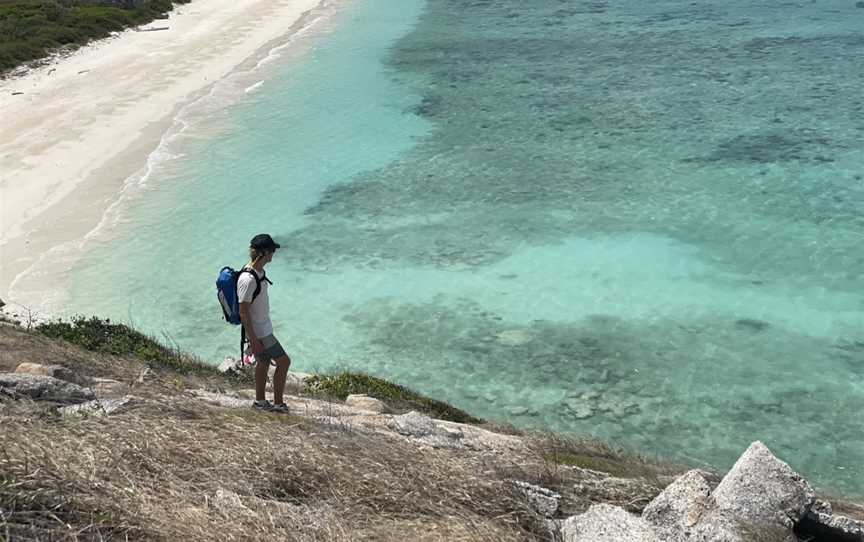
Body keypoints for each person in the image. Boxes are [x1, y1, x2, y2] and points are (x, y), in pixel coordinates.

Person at [238, 233, 291, 412]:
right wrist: (253, 339)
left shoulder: (258, 272)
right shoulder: (248, 279)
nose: (273, 253)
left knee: (264, 362)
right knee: (284, 362)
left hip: (262, 328)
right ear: (264, 252)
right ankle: (278, 405)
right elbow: (243, 311)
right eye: (272, 250)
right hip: (260, 332)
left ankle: (260, 402)